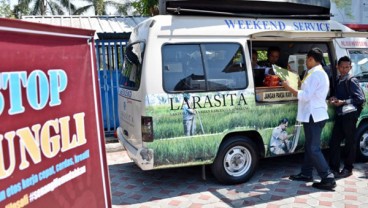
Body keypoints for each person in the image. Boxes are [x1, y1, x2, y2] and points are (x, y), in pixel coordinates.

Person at [282, 48, 336, 190]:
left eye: (307, 59)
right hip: (313, 115)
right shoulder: (314, 73)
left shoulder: (315, 74)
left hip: (314, 116)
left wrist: (288, 88)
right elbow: (304, 86)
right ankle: (306, 173)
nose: (305, 62)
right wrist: (293, 75)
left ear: (312, 59)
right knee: (310, 147)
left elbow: (305, 95)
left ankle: (328, 177)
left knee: (313, 148)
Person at [328, 56, 366, 178]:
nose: (344, 70)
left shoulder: (351, 80)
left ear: (350, 67)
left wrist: (343, 102)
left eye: (347, 67)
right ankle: (334, 168)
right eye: (342, 67)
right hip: (341, 114)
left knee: (350, 142)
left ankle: (348, 168)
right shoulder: (339, 79)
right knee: (334, 141)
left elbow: (360, 99)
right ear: (337, 67)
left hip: (350, 115)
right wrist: (334, 98)